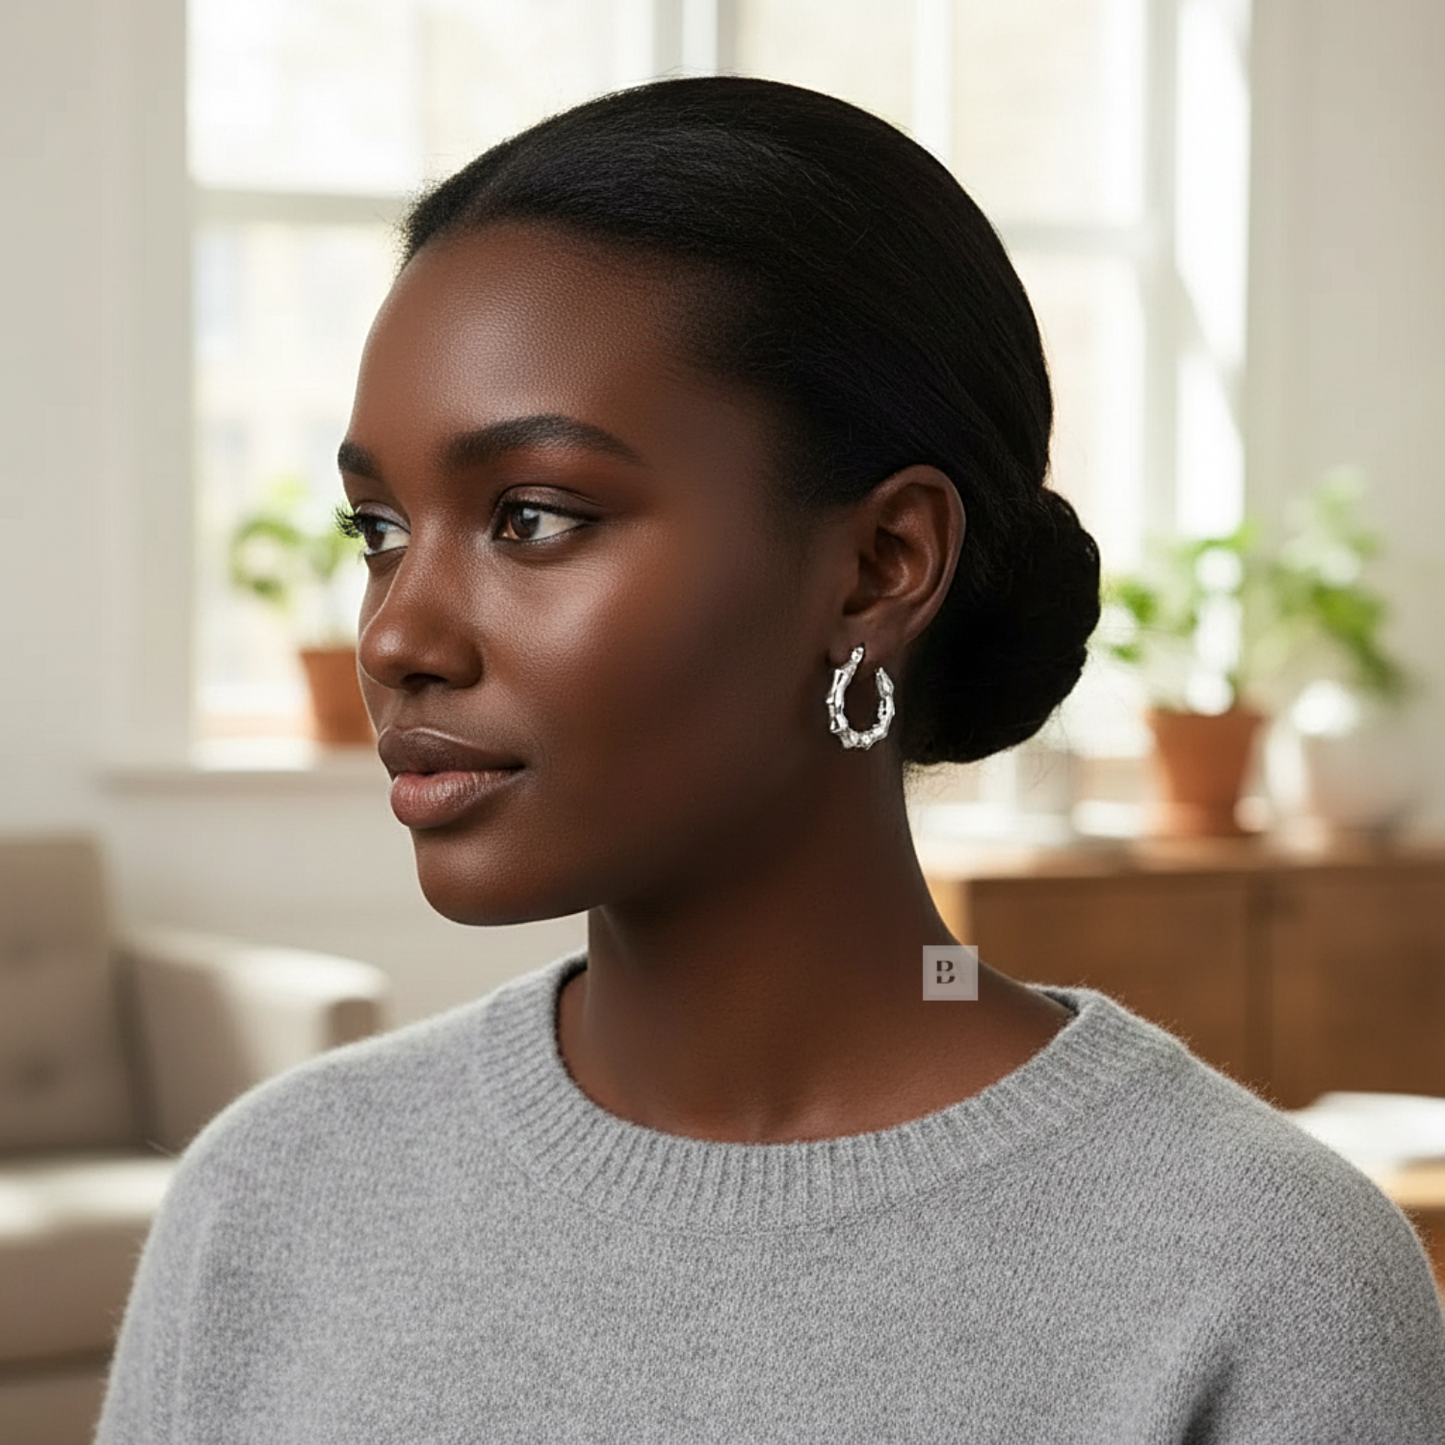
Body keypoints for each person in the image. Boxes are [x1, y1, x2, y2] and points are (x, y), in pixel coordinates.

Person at [96, 76, 1445, 1443]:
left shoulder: (1268, 1281)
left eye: (535, 517)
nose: (395, 636)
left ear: (879, 565)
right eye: (378, 530)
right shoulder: (269, 1202)